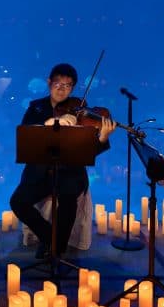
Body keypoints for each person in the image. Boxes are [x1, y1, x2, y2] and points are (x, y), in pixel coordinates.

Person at [9, 63, 115, 259]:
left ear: (73, 88)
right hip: (39, 171)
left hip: (70, 171)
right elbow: (27, 133)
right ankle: (50, 239)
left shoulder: (80, 110)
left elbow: (89, 151)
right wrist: (48, 124)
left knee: (68, 200)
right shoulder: (36, 107)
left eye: (67, 85)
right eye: (58, 83)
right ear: (49, 83)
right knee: (17, 202)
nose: (61, 89)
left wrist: (102, 137)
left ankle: (57, 250)